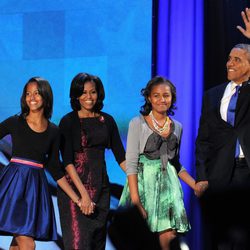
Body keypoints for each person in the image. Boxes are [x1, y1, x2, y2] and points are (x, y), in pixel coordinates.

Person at [119, 76, 200, 250]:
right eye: (156, 95)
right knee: (142, 239)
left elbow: (175, 163)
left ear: (172, 98)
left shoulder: (177, 126)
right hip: (143, 187)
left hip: (169, 189)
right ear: (149, 98)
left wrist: (194, 185)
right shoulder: (137, 123)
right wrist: (136, 201)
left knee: (169, 237)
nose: (161, 99)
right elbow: (131, 163)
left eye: (166, 95)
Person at [0, 77, 81, 249]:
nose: (32, 97)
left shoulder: (54, 131)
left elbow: (55, 169)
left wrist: (77, 199)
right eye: (28, 93)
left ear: (45, 96)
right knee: (28, 245)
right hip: (13, 187)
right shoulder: (15, 122)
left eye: (36, 93)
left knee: (18, 243)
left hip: (34, 190)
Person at [57, 72, 126, 250]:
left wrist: (141, 182)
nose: (89, 97)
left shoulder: (107, 121)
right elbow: (68, 162)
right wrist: (83, 196)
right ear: (76, 95)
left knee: (97, 245)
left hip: (101, 190)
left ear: (99, 93)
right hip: (75, 191)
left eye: (92, 92)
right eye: (84, 92)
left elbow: (122, 158)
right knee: (78, 244)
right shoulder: (68, 121)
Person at [195, 43, 250, 249]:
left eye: (238, 59)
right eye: (229, 58)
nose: (230, 63)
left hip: (248, 170)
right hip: (220, 172)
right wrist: (201, 176)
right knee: (222, 237)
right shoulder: (213, 95)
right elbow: (203, 139)